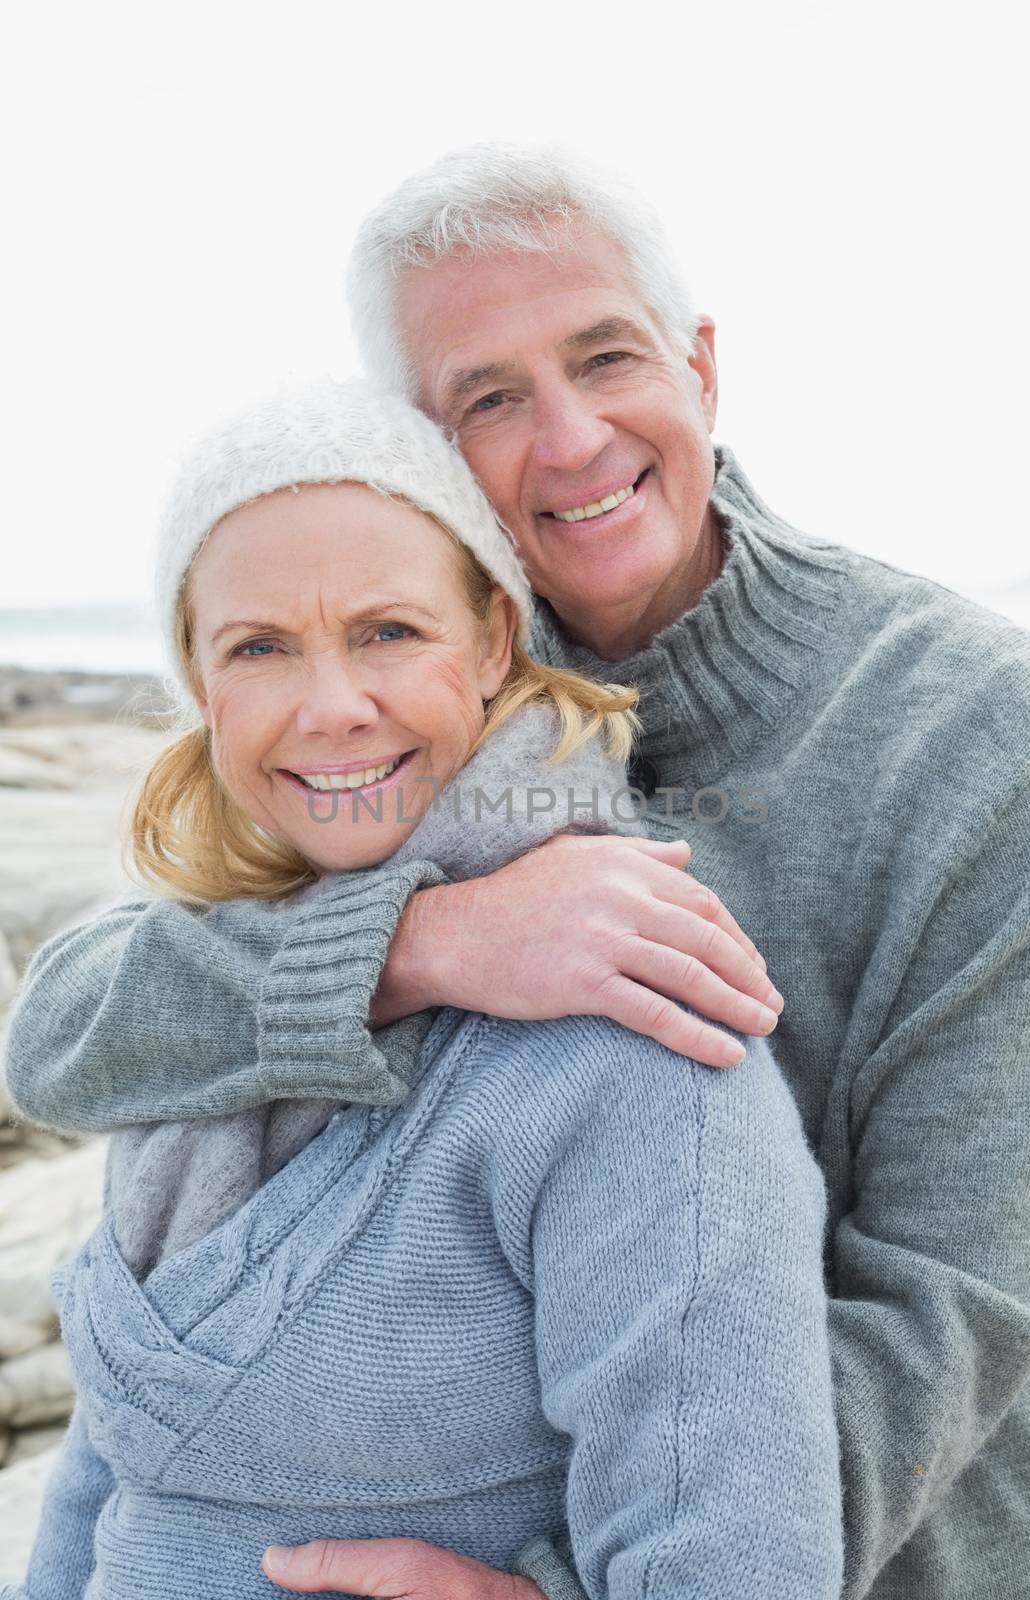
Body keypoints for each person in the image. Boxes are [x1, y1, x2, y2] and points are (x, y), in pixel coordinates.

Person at [7, 142, 1030, 1599]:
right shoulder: (412, 696)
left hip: (906, 1547)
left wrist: (565, 1587)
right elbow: (80, 1027)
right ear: (425, 454)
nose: (568, 440)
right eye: (488, 398)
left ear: (699, 365)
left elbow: (961, 1296)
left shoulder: (983, 728)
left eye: (605, 358)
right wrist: (425, 944)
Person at [0, 378, 843, 1600]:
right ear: (196, 678)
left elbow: (735, 1557)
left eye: (389, 629)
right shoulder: (206, 1004)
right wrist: (418, 944)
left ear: (494, 637)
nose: (333, 706)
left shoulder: (632, 1040)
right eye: (259, 646)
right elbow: (118, 1460)